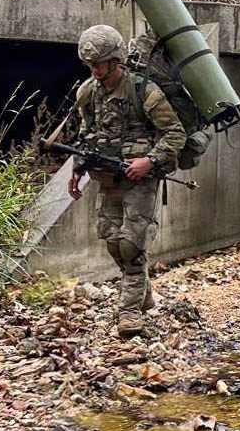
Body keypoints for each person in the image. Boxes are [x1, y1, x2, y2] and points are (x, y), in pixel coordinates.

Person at [68, 24, 186, 339]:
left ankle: (129, 314)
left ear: (116, 60)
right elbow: (85, 135)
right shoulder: (88, 92)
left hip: (140, 179)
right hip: (107, 178)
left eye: (99, 63)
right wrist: (78, 170)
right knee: (110, 240)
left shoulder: (143, 91)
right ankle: (144, 296)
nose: (94, 69)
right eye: (90, 64)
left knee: (132, 245)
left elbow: (175, 134)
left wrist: (150, 161)